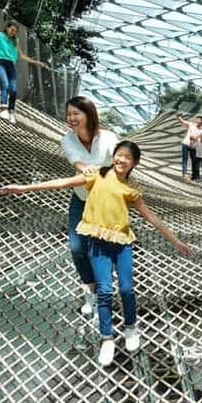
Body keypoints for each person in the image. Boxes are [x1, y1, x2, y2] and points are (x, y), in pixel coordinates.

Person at [0, 141, 194, 366]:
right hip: (97, 243)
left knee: (126, 288)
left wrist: (176, 241)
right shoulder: (96, 175)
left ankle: (131, 328)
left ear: (134, 163)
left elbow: (151, 217)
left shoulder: (131, 189)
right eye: (119, 155)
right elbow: (62, 183)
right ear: (114, 157)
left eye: (127, 158)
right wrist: (23, 188)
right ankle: (107, 339)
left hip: (122, 244)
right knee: (103, 290)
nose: (121, 160)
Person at [60, 96, 120, 317]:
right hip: (81, 198)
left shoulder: (108, 138)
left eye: (77, 113)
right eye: (69, 114)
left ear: (89, 113)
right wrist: (85, 169)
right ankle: (90, 290)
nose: (72, 118)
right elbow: (75, 161)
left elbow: (118, 160)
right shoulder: (68, 139)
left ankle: (104, 289)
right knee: (77, 247)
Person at [175, 114, 202, 181]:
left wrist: (195, 140)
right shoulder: (191, 124)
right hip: (185, 144)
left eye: (199, 120)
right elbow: (182, 121)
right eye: (197, 119)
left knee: (194, 161)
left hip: (193, 147)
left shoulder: (201, 131)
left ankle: (194, 176)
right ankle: (184, 174)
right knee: (185, 159)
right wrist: (179, 118)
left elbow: (200, 139)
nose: (197, 121)